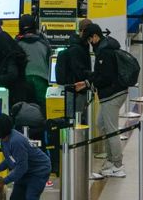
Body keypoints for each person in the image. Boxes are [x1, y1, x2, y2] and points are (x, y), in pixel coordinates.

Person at [77, 23, 128, 177]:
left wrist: (90, 83)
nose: (90, 44)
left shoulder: (104, 52)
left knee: (111, 129)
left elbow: (105, 77)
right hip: (112, 93)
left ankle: (117, 164)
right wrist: (87, 82)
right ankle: (111, 160)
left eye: (89, 40)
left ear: (95, 36)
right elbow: (102, 74)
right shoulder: (105, 47)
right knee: (102, 124)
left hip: (112, 95)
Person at [55, 19, 93, 119]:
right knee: (78, 120)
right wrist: (93, 76)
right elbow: (80, 72)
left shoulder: (81, 46)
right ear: (81, 31)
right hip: (77, 92)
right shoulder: (77, 49)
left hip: (76, 91)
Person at [15, 14, 52, 114]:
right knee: (43, 112)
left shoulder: (17, 43)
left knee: (23, 111)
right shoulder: (43, 42)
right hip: (42, 81)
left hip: (24, 81)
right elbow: (50, 61)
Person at [0, 30, 35, 110]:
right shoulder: (16, 53)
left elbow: (12, 75)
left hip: (15, 95)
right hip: (21, 93)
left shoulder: (11, 58)